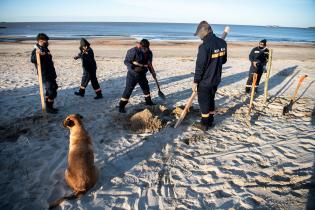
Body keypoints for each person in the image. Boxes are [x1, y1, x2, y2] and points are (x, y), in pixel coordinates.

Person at [192, 21, 227, 131]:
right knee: (211, 99)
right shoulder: (222, 43)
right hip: (216, 78)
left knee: (203, 102)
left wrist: (196, 80)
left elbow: (200, 66)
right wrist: (214, 62)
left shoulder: (204, 46)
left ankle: (204, 124)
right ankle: (210, 120)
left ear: (204, 32)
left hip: (205, 80)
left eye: (199, 34)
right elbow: (224, 60)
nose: (199, 37)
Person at [118, 39, 157, 113]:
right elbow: (126, 61)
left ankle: (148, 102)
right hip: (132, 75)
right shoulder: (133, 51)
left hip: (142, 74)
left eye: (147, 48)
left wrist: (153, 72)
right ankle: (121, 106)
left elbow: (149, 64)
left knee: (146, 88)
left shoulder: (149, 53)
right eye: (144, 48)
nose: (145, 50)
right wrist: (133, 69)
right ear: (140, 46)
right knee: (128, 90)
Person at [31, 33, 59, 114]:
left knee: (54, 88)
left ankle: (48, 105)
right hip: (45, 74)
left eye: (46, 41)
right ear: (40, 41)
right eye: (44, 41)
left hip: (51, 73)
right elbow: (33, 59)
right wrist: (38, 54)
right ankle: (49, 107)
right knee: (51, 91)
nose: (46, 42)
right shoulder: (36, 50)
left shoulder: (46, 49)